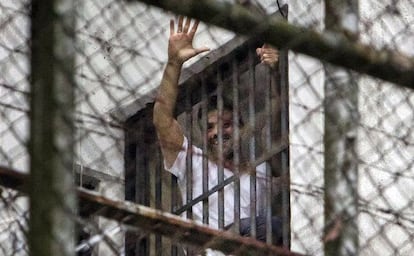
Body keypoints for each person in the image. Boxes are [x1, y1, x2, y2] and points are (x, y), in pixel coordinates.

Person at [153, 16, 282, 254]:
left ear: (242, 127)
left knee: (272, 226)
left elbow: (279, 117)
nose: (217, 133)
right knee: (261, 226)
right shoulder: (193, 162)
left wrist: (276, 73)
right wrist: (174, 64)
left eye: (226, 124)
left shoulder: (261, 169)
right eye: (210, 127)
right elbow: (162, 121)